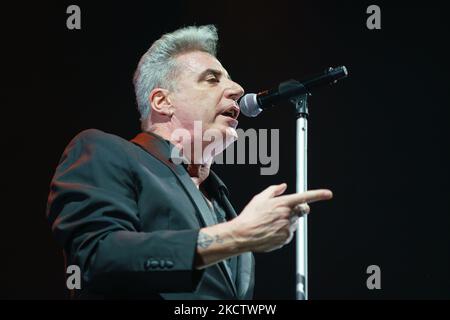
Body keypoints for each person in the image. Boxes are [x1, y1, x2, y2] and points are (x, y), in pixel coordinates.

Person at [46, 25, 333, 299]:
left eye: (229, 79)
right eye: (211, 79)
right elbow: (97, 257)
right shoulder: (105, 151)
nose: (236, 89)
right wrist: (237, 235)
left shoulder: (223, 203)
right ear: (162, 101)